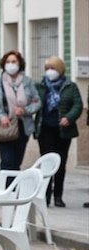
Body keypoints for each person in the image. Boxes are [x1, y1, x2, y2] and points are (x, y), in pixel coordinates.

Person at [34, 56, 83, 207]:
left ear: (60, 70)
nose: (50, 71)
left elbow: (78, 105)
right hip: (45, 129)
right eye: (47, 68)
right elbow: (33, 102)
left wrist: (69, 117)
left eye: (53, 68)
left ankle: (58, 196)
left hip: (63, 131)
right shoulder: (40, 86)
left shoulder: (70, 86)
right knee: (47, 163)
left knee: (60, 163)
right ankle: (45, 195)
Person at [0, 50, 40, 171]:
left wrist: (25, 110)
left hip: (22, 126)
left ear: (20, 64)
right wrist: (0, 116)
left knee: (16, 162)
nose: (11, 64)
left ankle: (14, 183)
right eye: (8, 62)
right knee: (7, 160)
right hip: (3, 126)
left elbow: (36, 102)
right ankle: (6, 183)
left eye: (14, 61)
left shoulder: (27, 82)